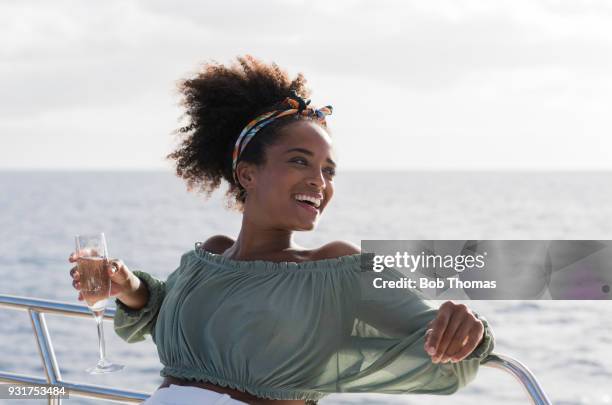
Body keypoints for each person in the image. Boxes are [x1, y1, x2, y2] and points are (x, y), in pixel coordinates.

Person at [68, 55, 494, 405]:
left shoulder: (337, 267)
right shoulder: (210, 258)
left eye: (328, 171)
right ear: (247, 174)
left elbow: (448, 354)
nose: (319, 181)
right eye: (299, 161)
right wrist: (127, 284)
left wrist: (468, 325)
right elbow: (163, 312)